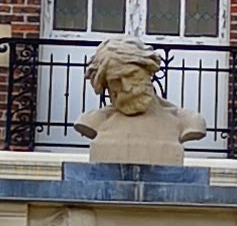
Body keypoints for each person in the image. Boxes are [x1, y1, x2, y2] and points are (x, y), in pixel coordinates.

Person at [80, 32, 199, 166]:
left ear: (149, 70)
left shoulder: (187, 122)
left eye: (132, 75)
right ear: (106, 85)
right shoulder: (94, 121)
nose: (127, 88)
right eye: (115, 81)